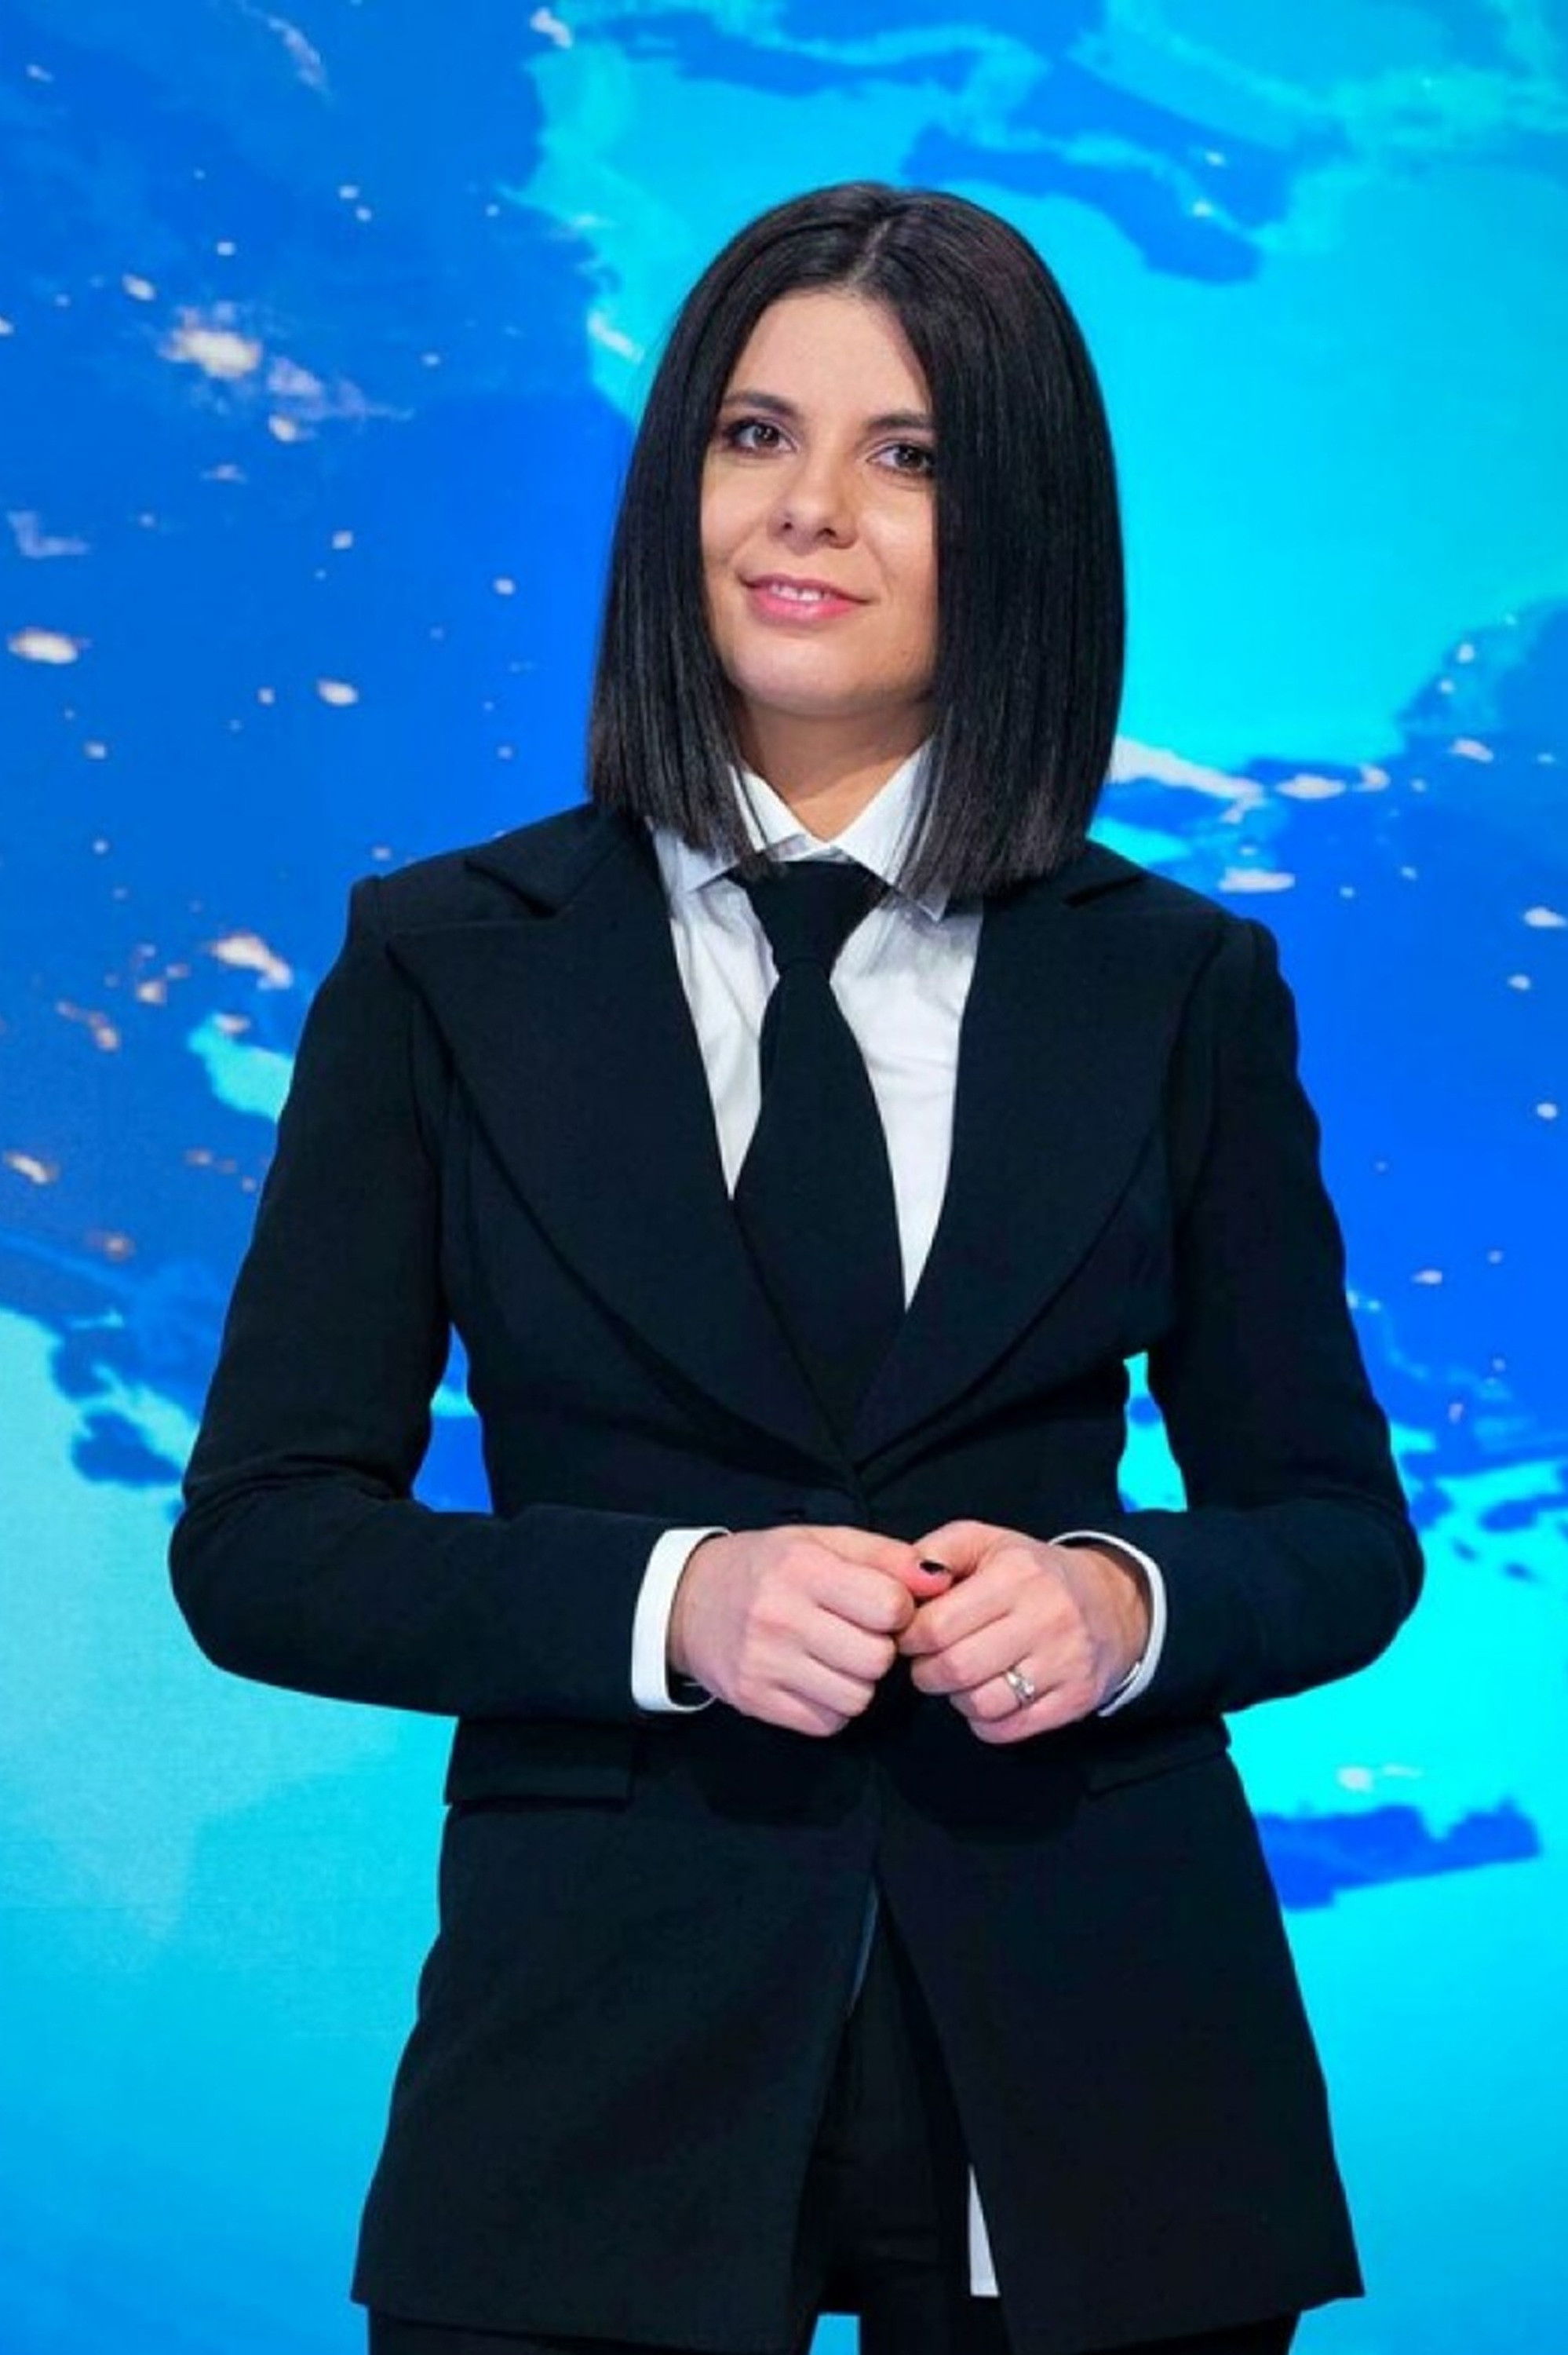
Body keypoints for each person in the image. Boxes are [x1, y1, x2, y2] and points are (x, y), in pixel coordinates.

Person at [168, 181, 1424, 2355]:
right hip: (591, 2063)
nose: (809, 511)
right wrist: (677, 1601)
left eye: (905, 453)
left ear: (1023, 526)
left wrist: (1121, 1604)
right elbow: (264, 1543)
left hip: (1100, 2054)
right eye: (757, 434)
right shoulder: (442, 963)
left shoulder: (1179, 985)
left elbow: (1333, 1532)